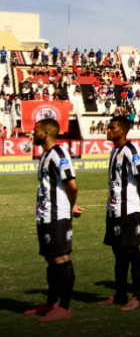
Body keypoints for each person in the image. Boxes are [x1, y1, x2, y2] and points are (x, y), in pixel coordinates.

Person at [23, 119, 81, 323]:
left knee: (61, 258)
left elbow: (72, 185)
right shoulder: (45, 155)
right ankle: (51, 302)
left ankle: (64, 307)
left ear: (46, 132)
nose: (33, 134)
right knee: (50, 258)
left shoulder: (59, 154)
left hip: (57, 215)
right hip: (45, 215)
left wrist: (70, 206)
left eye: (36, 130)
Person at [98, 116, 140, 311]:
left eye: (112, 127)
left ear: (123, 131)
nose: (108, 130)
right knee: (118, 252)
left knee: (131, 250)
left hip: (128, 209)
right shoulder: (114, 151)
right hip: (114, 209)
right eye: (108, 127)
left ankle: (138, 297)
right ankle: (120, 294)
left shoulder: (131, 150)